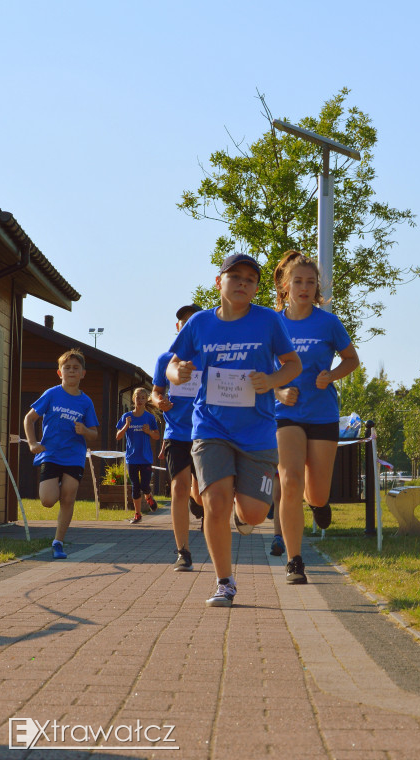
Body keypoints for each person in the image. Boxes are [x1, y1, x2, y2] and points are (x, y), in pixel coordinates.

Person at [166, 253, 302, 607]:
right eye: (235, 276)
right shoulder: (199, 323)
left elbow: (293, 365)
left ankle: (244, 518)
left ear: (257, 288)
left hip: (257, 431)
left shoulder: (269, 321)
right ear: (219, 282)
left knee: (255, 513)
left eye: (250, 279)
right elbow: (173, 363)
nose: (243, 282)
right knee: (215, 503)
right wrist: (175, 374)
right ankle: (224, 581)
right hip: (210, 426)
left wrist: (271, 380)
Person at [273, 250, 359, 584]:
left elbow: (351, 360)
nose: (305, 287)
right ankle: (295, 560)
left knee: (317, 493)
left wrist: (331, 375)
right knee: (290, 481)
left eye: (310, 282)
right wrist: (279, 392)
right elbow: (260, 369)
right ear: (286, 285)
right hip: (285, 413)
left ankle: (319, 505)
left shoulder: (328, 322)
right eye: (298, 281)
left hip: (322, 412)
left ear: (317, 287)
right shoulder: (272, 322)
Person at [23, 349, 99, 559]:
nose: (71, 371)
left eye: (76, 368)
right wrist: (32, 443)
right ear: (60, 372)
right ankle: (55, 484)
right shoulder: (51, 394)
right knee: (48, 500)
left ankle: (58, 542)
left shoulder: (86, 402)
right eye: (67, 368)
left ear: (83, 373)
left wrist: (85, 431)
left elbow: (94, 434)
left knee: (69, 496)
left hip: (74, 456)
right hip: (51, 454)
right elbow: (29, 419)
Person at [151, 302, 204, 571]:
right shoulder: (165, 359)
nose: (188, 326)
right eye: (184, 323)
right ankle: (183, 551)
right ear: (178, 328)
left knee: (205, 492)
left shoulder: (210, 356)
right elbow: (155, 391)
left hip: (207, 431)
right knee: (179, 488)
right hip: (176, 432)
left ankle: (199, 501)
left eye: (194, 321)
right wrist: (158, 402)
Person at [116, 388, 160, 524]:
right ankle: (137, 514)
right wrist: (126, 426)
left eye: (142, 398)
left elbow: (157, 436)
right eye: (137, 397)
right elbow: (118, 436)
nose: (140, 400)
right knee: (135, 486)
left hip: (145, 457)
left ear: (146, 400)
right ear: (133, 399)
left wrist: (149, 432)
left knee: (145, 485)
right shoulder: (126, 417)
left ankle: (148, 496)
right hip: (132, 457)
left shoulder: (149, 418)